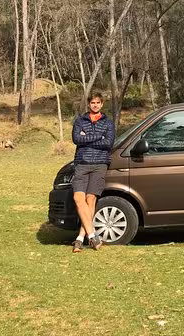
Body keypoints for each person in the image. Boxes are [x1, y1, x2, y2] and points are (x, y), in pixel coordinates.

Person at [70, 92, 115, 252]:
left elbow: (109, 143)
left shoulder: (108, 123)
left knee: (91, 200)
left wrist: (87, 137)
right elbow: (76, 139)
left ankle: (80, 238)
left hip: (100, 164)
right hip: (82, 163)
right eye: (92, 103)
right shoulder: (80, 121)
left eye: (98, 103)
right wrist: (98, 137)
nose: (95, 105)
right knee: (78, 198)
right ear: (89, 104)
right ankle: (92, 235)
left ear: (102, 104)